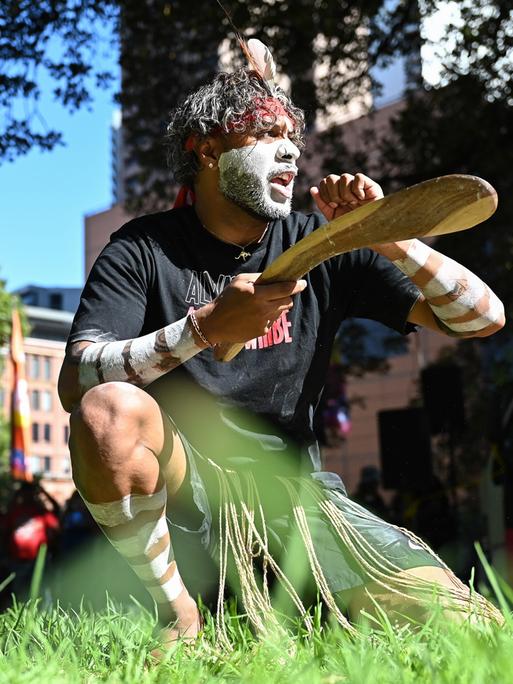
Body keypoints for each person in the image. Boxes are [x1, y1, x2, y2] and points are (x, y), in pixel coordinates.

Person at [58, 60, 505, 645]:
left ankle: (293, 597)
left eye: (293, 137)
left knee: (477, 632)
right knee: (109, 409)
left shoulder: (321, 242)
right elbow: (76, 384)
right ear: (206, 149)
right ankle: (180, 615)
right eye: (266, 134)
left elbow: (482, 318)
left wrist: (384, 233)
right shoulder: (143, 249)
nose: (289, 151)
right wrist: (206, 327)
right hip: (186, 495)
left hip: (297, 497)